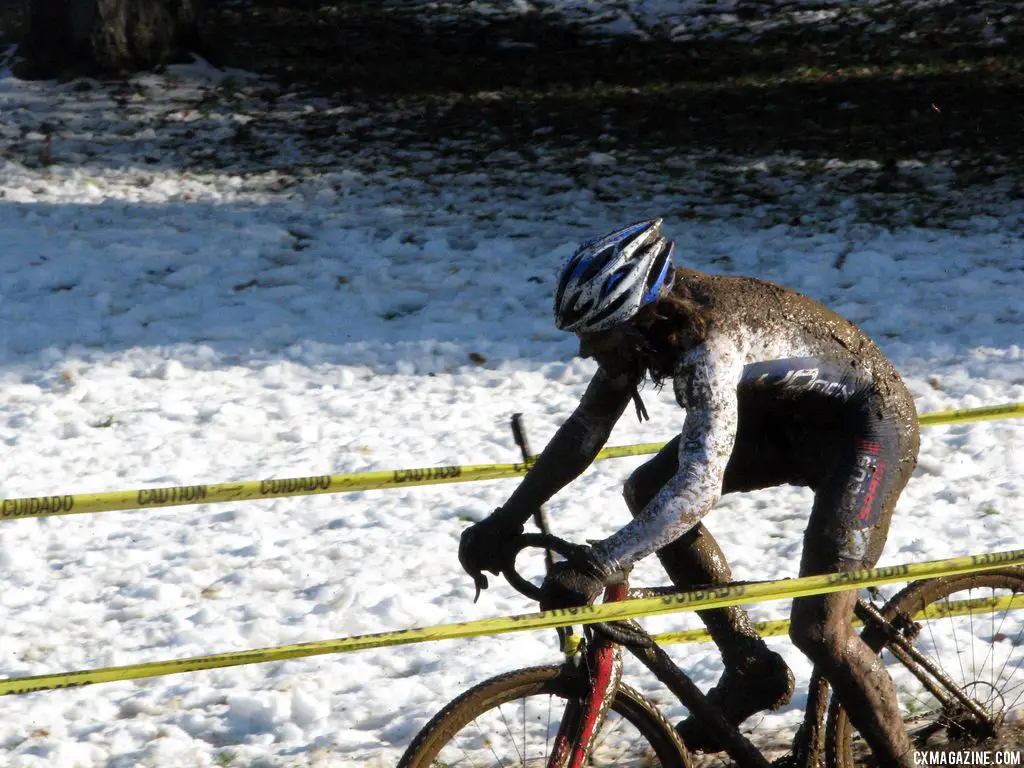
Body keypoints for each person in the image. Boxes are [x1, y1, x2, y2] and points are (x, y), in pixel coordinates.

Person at [458, 218, 921, 765]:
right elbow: (585, 431)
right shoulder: (644, 332)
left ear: (640, 317)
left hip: (866, 432)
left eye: (596, 336)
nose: (585, 350)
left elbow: (700, 486)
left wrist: (601, 563)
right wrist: (505, 519)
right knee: (648, 487)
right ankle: (749, 666)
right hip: (784, 419)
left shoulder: (708, 348)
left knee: (821, 631)